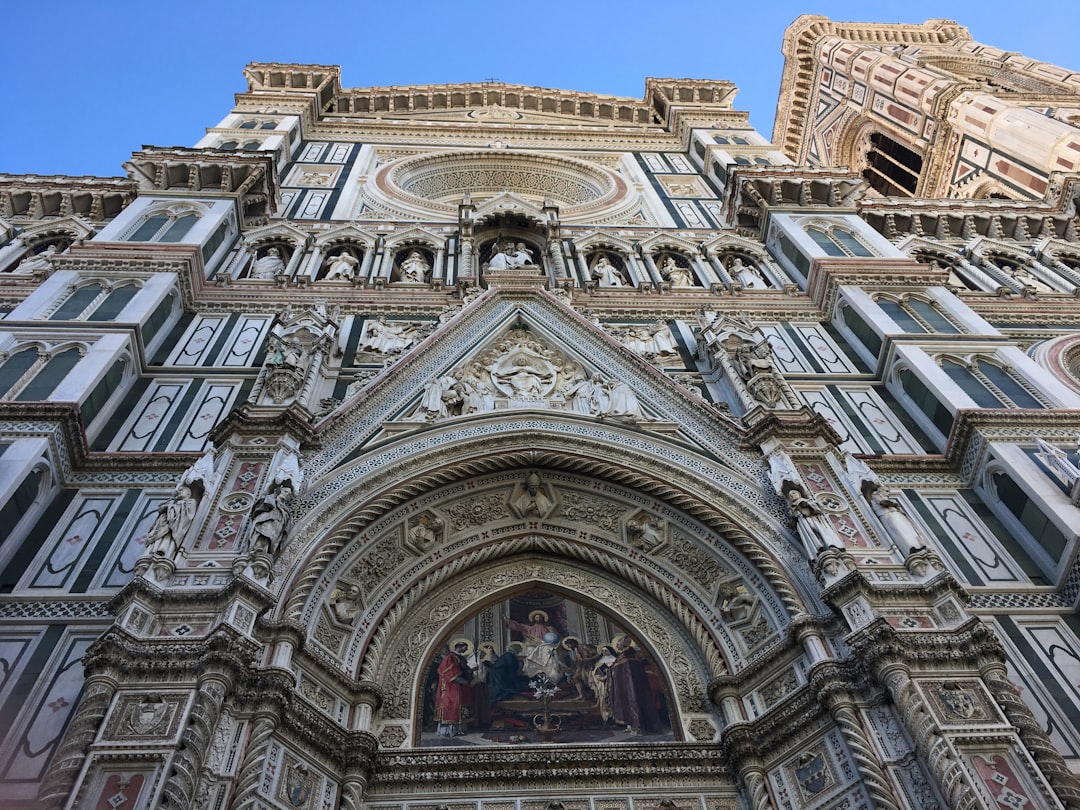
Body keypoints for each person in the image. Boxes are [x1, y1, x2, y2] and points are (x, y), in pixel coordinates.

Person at [609, 635, 664, 735]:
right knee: (626, 703)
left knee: (634, 701)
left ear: (625, 643)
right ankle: (630, 724)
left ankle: (638, 726)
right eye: (617, 644)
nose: (617, 645)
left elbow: (630, 670)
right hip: (623, 687)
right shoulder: (620, 656)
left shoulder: (630, 654)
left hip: (633, 686)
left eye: (619, 643)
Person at [144, 485, 198, 559]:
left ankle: (163, 552)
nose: (178, 492)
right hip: (164, 524)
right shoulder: (173, 503)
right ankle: (152, 552)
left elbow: (187, 516)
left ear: (188, 493)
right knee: (159, 539)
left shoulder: (191, 502)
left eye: (181, 490)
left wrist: (169, 507)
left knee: (167, 539)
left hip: (173, 527)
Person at [435, 638, 474, 736]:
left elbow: (465, 669)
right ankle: (449, 731)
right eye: (464, 647)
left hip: (461, 687)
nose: (466, 649)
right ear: (458, 647)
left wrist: (469, 672)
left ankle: (459, 729)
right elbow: (448, 671)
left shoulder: (460, 657)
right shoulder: (450, 657)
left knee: (460, 707)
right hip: (451, 687)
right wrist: (462, 680)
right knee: (451, 706)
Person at [249, 480, 294, 558]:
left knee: (271, 541)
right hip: (268, 521)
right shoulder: (270, 498)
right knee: (263, 536)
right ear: (280, 489)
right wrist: (277, 499)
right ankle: (258, 550)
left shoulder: (284, 508)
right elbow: (263, 506)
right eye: (286, 492)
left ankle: (265, 552)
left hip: (277, 525)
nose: (287, 495)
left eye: (289, 494)